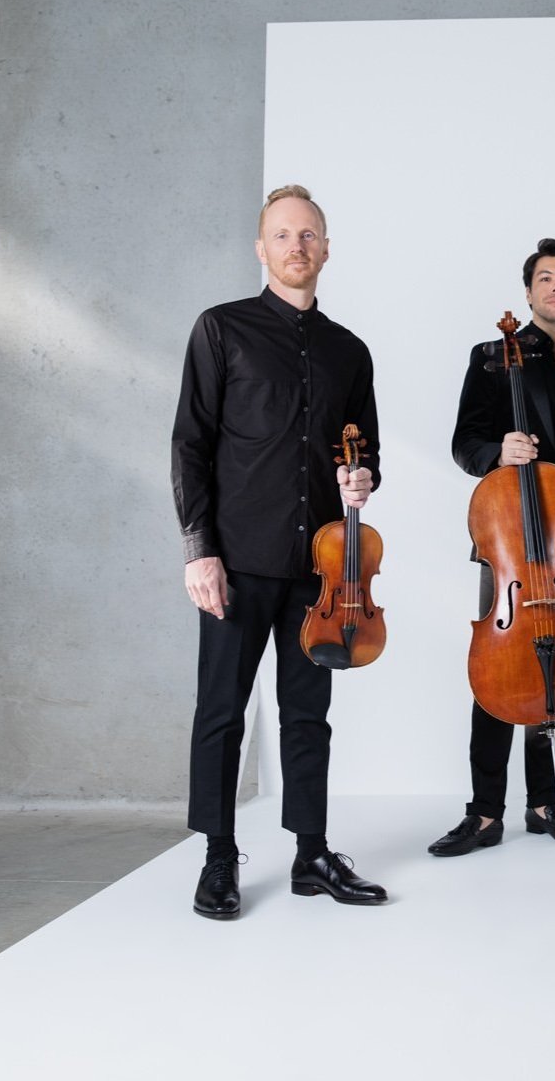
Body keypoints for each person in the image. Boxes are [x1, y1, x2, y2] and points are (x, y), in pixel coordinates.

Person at [172, 184, 389, 919]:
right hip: (236, 560)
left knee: (307, 712)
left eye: (310, 235)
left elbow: (367, 451)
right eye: (283, 235)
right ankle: (218, 856)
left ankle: (311, 853)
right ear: (261, 248)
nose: (297, 246)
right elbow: (190, 445)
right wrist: (199, 549)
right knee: (222, 711)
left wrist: (362, 476)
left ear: (326, 249)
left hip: (320, 571)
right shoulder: (221, 329)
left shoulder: (349, 351)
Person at [428, 238, 555, 856]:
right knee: (500, 673)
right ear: (529, 291)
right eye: (546, 278)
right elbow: (465, 442)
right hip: (513, 541)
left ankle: (545, 804)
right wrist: (499, 453)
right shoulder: (494, 358)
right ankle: (485, 812)